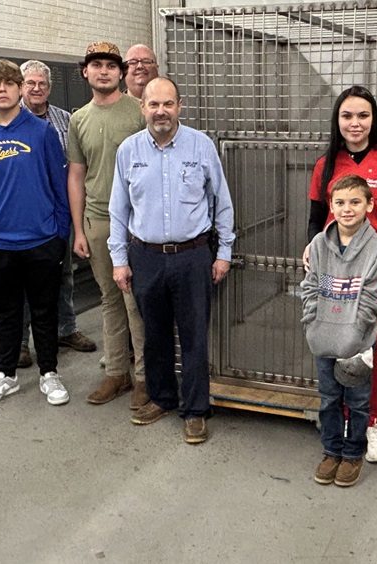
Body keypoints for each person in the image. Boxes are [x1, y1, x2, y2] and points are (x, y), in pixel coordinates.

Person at [110, 77, 235, 444]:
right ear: (142, 107)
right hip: (145, 256)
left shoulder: (201, 145)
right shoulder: (129, 151)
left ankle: (195, 410)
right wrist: (120, 260)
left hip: (192, 256)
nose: (161, 111)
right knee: (155, 334)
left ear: (180, 106)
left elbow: (222, 202)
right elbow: (119, 210)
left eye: (168, 104)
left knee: (194, 336)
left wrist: (224, 253)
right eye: (154, 104)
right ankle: (163, 398)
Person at [305, 85, 377, 463]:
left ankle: (373, 423)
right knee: (339, 346)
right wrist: (312, 250)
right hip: (337, 270)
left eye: (363, 115)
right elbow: (315, 221)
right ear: (337, 120)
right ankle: (341, 422)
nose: (355, 123)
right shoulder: (326, 165)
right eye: (347, 115)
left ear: (374, 119)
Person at [0, 58, 71, 407]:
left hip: (42, 241)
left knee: (44, 311)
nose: (2, 90)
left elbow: (60, 185)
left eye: (9, 83)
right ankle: (6, 375)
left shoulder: (41, 132)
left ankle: (49, 372)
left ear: (20, 88)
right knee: (6, 315)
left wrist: (60, 233)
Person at [67, 41, 150, 409]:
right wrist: (79, 229)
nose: (103, 71)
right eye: (96, 65)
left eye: (111, 65)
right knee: (110, 299)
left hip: (137, 223)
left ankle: (145, 377)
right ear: (85, 71)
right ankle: (117, 373)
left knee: (135, 302)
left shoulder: (138, 112)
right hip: (98, 221)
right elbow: (76, 174)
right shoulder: (79, 119)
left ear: (121, 72)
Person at [301, 174, 377, 487]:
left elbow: (371, 297)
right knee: (328, 399)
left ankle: (352, 455)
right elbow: (310, 286)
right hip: (323, 337)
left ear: (369, 205)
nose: (347, 209)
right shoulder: (318, 244)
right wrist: (312, 323)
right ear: (331, 206)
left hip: (358, 341)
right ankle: (331, 451)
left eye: (355, 202)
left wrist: (355, 335)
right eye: (339, 202)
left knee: (358, 402)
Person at [17, 59, 96, 370]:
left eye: (42, 84)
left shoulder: (66, 120)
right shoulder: (10, 119)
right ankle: (21, 343)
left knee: (64, 274)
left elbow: (77, 167)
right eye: (30, 83)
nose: (36, 88)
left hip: (59, 211)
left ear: (49, 88)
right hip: (25, 215)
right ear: (21, 87)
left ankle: (66, 329)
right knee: (23, 281)